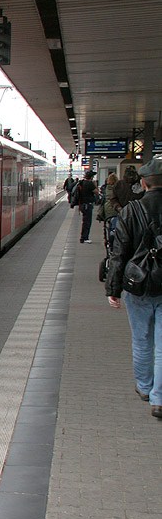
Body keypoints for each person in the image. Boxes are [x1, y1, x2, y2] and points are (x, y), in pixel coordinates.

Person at [105, 155, 162, 419]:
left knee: (142, 339)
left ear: (143, 183)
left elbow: (119, 254)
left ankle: (144, 387)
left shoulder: (131, 210)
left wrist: (113, 290)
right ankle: (158, 399)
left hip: (138, 284)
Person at [75, 170, 99, 243]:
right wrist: (95, 185)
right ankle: (84, 238)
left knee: (85, 221)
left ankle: (83, 237)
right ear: (91, 177)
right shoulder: (90, 184)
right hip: (87, 205)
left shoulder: (82, 182)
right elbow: (97, 192)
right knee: (87, 222)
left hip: (82, 204)